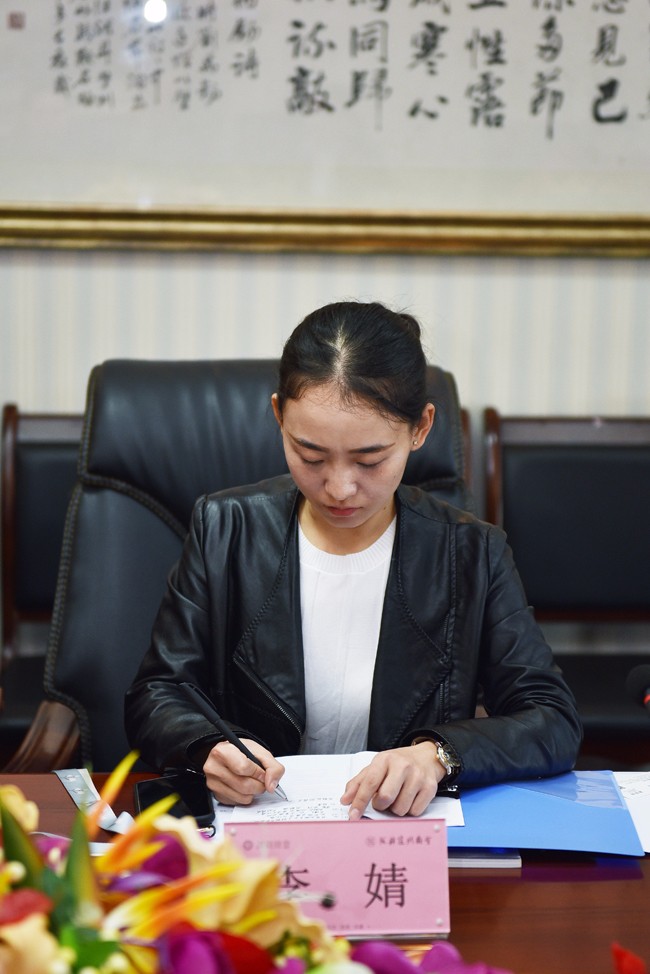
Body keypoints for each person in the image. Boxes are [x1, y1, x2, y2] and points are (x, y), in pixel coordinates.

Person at [125, 301, 581, 818]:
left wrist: (438, 755)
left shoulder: (471, 552)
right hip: (259, 833)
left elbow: (552, 719)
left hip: (400, 831)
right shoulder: (224, 529)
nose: (339, 488)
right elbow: (157, 693)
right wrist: (205, 745)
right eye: (311, 456)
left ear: (421, 428)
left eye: (370, 460)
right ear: (278, 416)